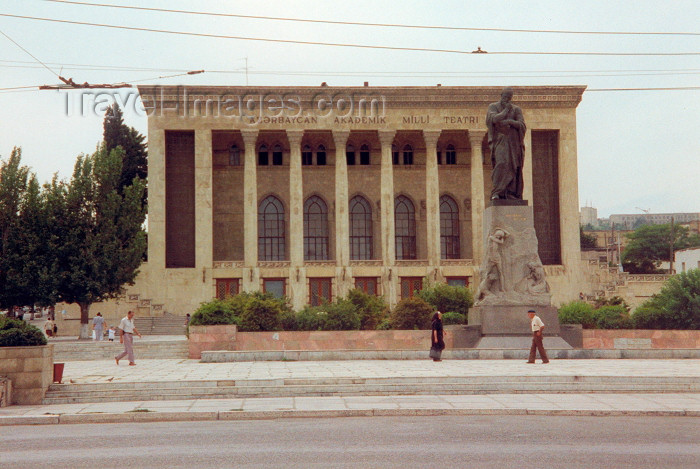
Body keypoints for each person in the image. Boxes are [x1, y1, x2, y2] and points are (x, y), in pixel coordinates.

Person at [486, 87, 526, 200]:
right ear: (501, 95)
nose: (507, 99)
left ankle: (511, 193)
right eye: (505, 97)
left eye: (509, 97)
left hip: (513, 142)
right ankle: (497, 192)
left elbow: (522, 125)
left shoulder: (516, 109)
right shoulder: (493, 106)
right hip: (500, 140)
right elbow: (493, 119)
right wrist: (505, 112)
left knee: (514, 167)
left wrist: (510, 122)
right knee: (502, 163)